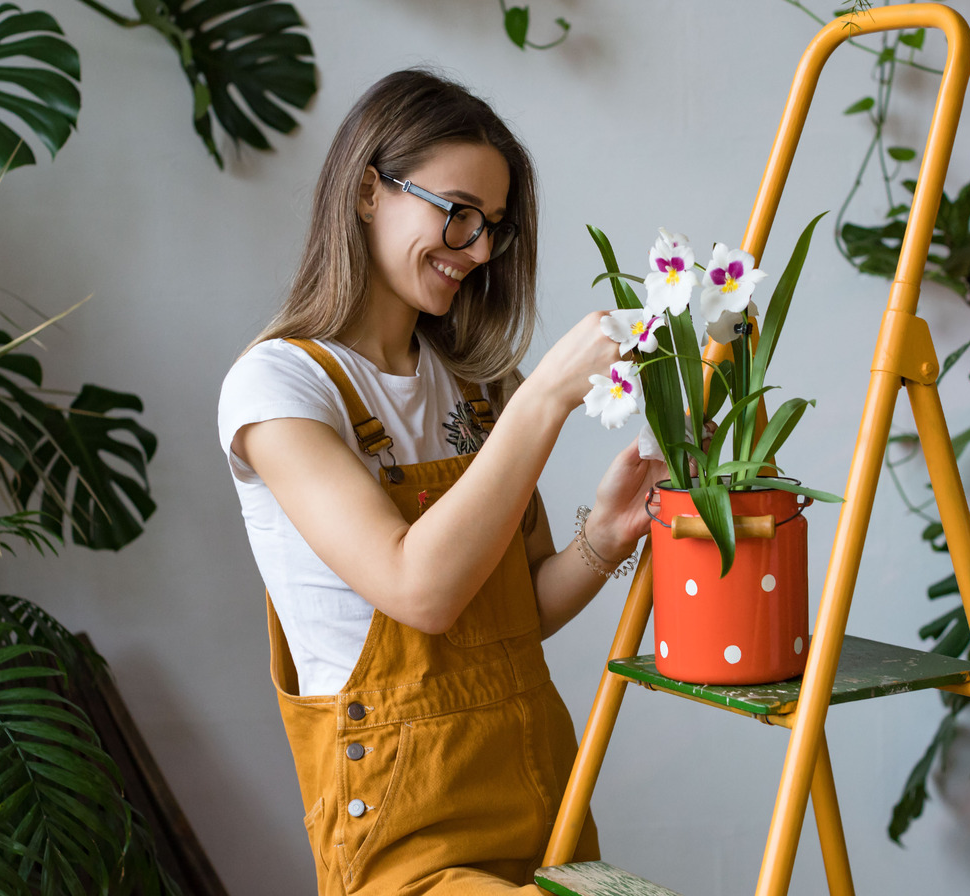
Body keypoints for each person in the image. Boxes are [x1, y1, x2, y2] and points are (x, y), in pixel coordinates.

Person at [217, 68, 665, 894]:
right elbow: (418, 591)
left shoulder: (478, 384)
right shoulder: (279, 387)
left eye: (493, 226)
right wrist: (548, 399)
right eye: (458, 213)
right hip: (402, 828)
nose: (480, 249)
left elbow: (513, 614)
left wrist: (604, 537)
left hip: (538, 789)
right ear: (365, 192)